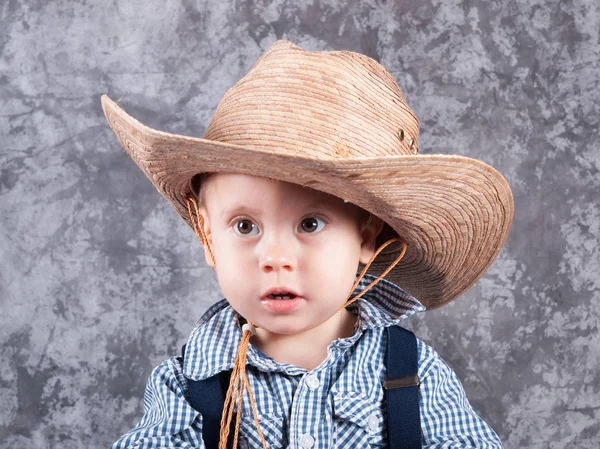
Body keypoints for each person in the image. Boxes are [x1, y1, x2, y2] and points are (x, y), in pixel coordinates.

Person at [102, 39, 513, 449]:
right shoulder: (189, 386)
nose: (275, 258)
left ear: (367, 238)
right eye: (245, 226)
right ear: (208, 236)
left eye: (310, 224)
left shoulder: (411, 374)